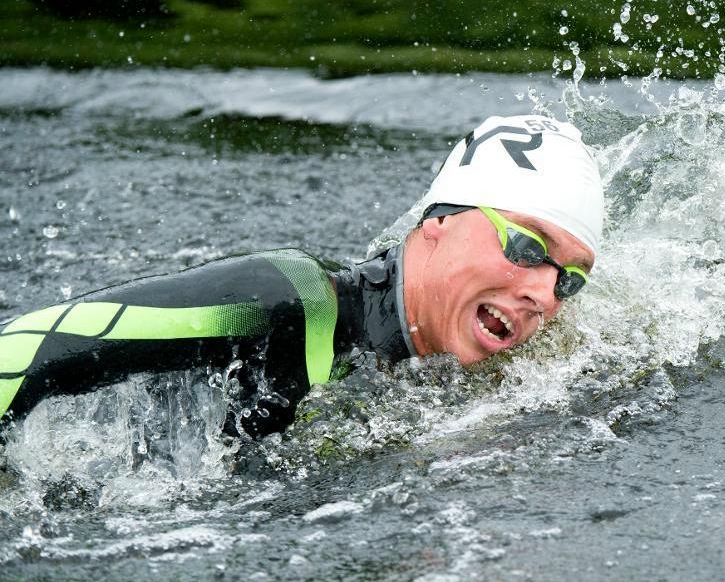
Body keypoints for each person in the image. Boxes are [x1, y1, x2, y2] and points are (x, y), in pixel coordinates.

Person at [0, 114, 603, 438]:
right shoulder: (290, 303)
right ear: (440, 220)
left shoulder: (507, 382)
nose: (543, 295)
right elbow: (26, 347)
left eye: (569, 279)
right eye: (526, 247)